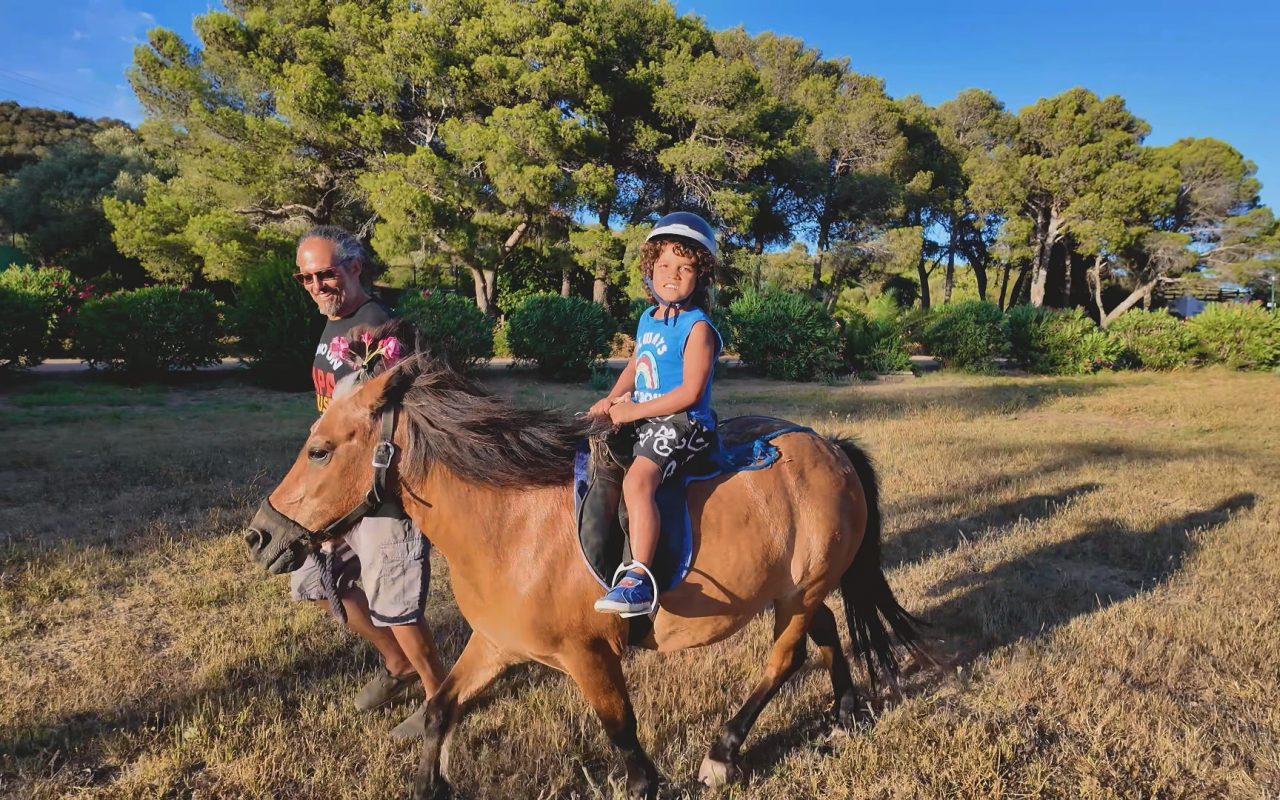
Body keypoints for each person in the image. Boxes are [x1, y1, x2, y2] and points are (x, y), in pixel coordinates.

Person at [292, 225, 445, 738]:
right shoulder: (335, 322)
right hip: (341, 486)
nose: (315, 285)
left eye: (325, 274)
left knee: (396, 604)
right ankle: (398, 664)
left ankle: (438, 698)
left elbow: (385, 417)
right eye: (306, 277)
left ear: (354, 268)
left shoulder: (377, 328)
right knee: (314, 582)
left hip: (381, 494)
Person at [587, 212, 723, 615]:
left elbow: (690, 393)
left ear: (701, 275)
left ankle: (638, 579)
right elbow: (636, 364)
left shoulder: (698, 328)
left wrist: (632, 413)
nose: (672, 274)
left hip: (686, 422)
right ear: (650, 269)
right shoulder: (648, 318)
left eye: (685, 267)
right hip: (646, 414)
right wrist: (610, 401)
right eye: (663, 265)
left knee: (639, 481)